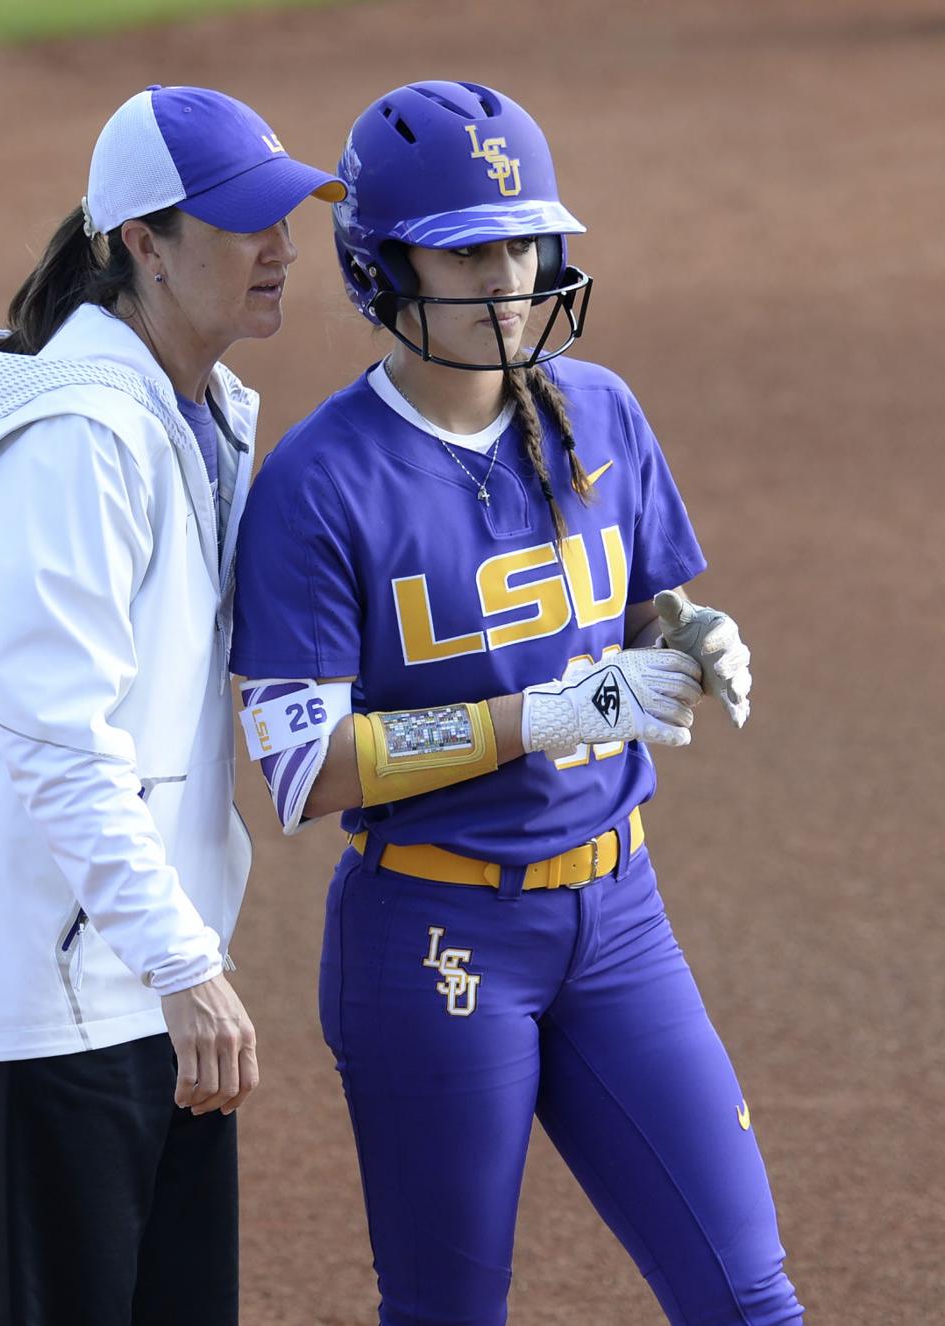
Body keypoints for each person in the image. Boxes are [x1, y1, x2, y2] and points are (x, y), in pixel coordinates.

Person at [230, 81, 802, 1325]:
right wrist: (540, 716)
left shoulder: (600, 411)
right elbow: (302, 770)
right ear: (382, 270)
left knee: (749, 1299)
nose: (510, 276)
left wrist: (694, 631)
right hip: (436, 942)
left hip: (620, 916)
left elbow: (645, 606)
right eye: (469, 250)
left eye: (526, 244)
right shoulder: (317, 486)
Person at [0, 85, 344, 1325]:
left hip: (133, 988)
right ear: (141, 241)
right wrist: (186, 961)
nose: (283, 249)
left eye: (289, 216)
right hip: (34, 1013)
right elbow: (57, 738)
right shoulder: (73, 437)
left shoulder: (192, 418)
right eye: (246, 224)